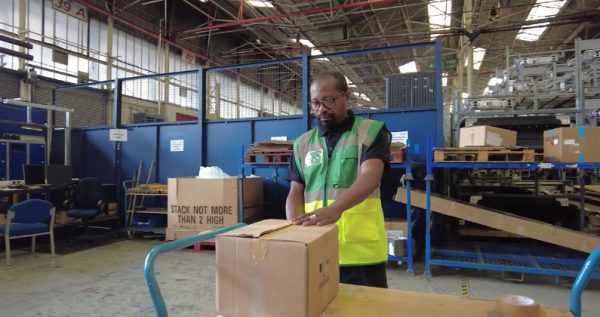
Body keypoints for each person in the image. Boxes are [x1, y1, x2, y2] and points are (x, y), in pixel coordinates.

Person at [286, 71, 391, 288]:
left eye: (328, 100)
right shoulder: (302, 143)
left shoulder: (370, 132)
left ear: (346, 96)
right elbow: (296, 191)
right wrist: (293, 231)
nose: (322, 108)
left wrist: (336, 208)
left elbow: (370, 176)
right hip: (317, 248)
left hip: (360, 252)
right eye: (315, 103)